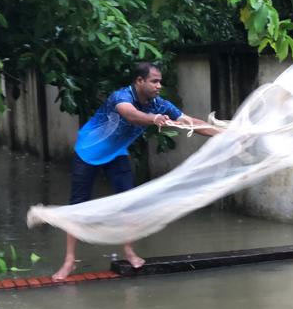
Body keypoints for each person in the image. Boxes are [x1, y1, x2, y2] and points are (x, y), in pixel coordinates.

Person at [53, 62, 219, 280]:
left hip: (116, 154)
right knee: (77, 207)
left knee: (128, 203)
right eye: (154, 81)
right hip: (88, 152)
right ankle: (69, 261)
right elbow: (129, 114)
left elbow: (191, 123)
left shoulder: (159, 104)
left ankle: (129, 251)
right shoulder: (120, 97)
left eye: (160, 81)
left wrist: (224, 133)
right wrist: (153, 119)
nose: (159, 86)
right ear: (139, 81)